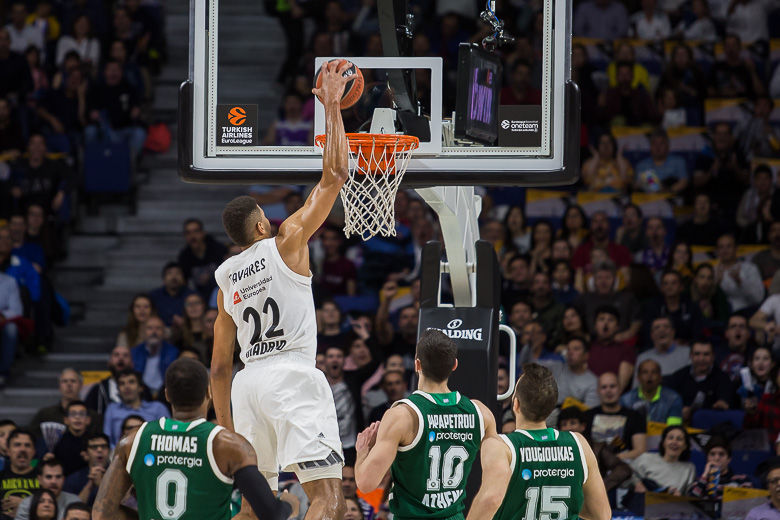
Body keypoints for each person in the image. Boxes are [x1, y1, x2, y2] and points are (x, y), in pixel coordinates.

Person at [211, 60, 356, 520]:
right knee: (329, 498)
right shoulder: (287, 240)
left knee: (255, 509)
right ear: (260, 225)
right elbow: (334, 176)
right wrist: (332, 105)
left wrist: (226, 431)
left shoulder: (225, 278)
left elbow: (219, 368)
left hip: (246, 385)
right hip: (290, 375)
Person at [92, 358, 298, 520]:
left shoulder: (132, 440)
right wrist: (289, 504)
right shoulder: (229, 445)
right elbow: (271, 515)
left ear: (167, 395)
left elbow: (102, 514)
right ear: (208, 393)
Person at [354, 330, 497, 519]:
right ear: (454, 365)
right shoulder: (481, 413)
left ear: (417, 364)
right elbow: (497, 484)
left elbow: (366, 484)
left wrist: (362, 452)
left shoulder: (402, 416)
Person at [465, 363, 611, 519]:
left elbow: (491, 499)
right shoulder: (578, 443)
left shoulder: (500, 446)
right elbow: (602, 515)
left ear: (516, 404)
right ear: (551, 406)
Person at [558, 407, 633, 493]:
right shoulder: (555, 450)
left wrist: (600, 487)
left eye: (573, 423)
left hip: (590, 497)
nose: (568, 428)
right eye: (564, 424)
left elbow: (623, 469)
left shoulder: (598, 448)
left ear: (583, 426)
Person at [666, 341, 735, 422]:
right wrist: (679, 409)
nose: (701, 359)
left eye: (706, 354)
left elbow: (725, 404)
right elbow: (667, 400)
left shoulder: (722, 378)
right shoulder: (679, 376)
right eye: (697, 354)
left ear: (713, 357)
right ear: (691, 356)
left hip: (709, 423)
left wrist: (720, 405)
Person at [585, 372, 647, 461]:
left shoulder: (635, 417)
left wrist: (613, 459)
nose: (608, 390)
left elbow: (640, 450)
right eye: (604, 387)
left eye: (612, 386)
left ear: (620, 389)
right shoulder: (587, 416)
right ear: (598, 391)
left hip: (625, 463)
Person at [102, 369, 169, 447]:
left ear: (141, 387)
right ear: (118, 390)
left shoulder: (158, 408)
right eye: (122, 383)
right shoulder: (112, 409)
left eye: (131, 382)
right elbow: (107, 440)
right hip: (118, 452)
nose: (126, 387)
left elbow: (167, 436)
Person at [84, 345, 152, 415]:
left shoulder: (143, 388)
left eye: (125, 355)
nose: (121, 358)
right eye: (116, 355)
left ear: (132, 363)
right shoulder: (98, 390)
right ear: (109, 362)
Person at [630, 425, 696, 495]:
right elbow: (628, 475)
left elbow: (690, 496)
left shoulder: (689, 468)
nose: (674, 442)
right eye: (670, 438)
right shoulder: (646, 458)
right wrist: (637, 483)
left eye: (679, 439)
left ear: (685, 446)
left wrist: (679, 497)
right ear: (663, 443)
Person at [621, 359, 684, 425]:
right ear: (638, 378)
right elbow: (624, 427)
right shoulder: (626, 400)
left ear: (660, 377)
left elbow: (674, 428)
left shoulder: (673, 399)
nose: (649, 376)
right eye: (645, 372)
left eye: (654, 372)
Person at [177, 218, 227, 300]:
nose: (192, 236)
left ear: (202, 233)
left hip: (221, 294)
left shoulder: (218, 250)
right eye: (188, 233)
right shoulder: (184, 257)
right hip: (199, 298)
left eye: (196, 231)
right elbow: (184, 283)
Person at [13, 460, 80, 520]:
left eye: (58, 477)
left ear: (63, 479)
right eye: (49, 477)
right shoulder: (27, 503)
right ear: (39, 480)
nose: (53, 481)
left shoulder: (74, 501)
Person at [130, 316, 178, 396]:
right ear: (144, 332)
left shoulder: (173, 352)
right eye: (150, 328)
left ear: (163, 332)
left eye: (158, 328)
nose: (154, 332)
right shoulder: (135, 352)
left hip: (165, 393)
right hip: (141, 393)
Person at [635, 317, 690, 381]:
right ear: (651, 335)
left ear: (673, 332)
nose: (661, 330)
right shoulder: (643, 358)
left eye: (666, 326)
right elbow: (636, 385)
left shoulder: (688, 353)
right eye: (657, 327)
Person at [0, 430, 38, 519]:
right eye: (17, 445)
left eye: (27, 445)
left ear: (34, 451)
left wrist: (24, 505)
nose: (22, 449)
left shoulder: (44, 478)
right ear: (8, 451)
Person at [62, 434, 109, 506]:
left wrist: (101, 486)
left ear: (109, 451)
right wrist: (89, 485)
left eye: (104, 447)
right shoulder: (73, 479)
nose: (100, 450)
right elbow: (74, 509)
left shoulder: (119, 476)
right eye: (94, 447)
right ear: (86, 454)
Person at [554, 337, 600, 407]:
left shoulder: (593, 382)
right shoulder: (556, 368)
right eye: (568, 349)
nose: (570, 352)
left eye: (576, 349)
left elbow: (589, 410)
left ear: (586, 355)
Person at [148, 262, 195, 327]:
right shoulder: (154, 295)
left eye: (177, 273)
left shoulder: (192, 296)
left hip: (187, 329)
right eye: (170, 273)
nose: (174, 277)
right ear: (163, 279)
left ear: (183, 278)